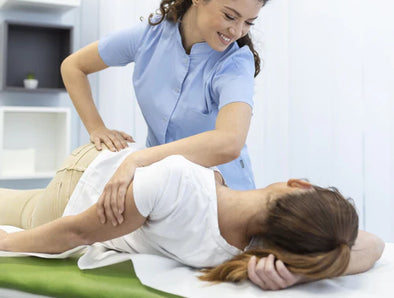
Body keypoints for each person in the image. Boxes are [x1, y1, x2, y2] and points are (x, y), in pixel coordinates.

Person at [60, 0, 276, 227]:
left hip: (220, 202)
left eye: (248, 22)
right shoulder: (150, 37)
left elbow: (229, 142)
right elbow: (73, 67)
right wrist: (96, 128)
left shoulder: (235, 62)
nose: (238, 31)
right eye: (230, 16)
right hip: (157, 193)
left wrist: (138, 160)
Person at [0, 144, 384, 291]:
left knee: (14, 206)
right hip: (102, 186)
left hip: (77, 187)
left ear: (299, 185)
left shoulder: (176, 183)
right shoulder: (248, 249)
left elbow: (75, 232)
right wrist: (303, 270)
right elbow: (373, 245)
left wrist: (5, 243)